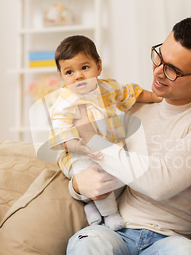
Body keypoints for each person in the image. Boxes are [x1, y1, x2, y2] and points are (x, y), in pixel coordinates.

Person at [61, 17, 191, 255]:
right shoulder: (135, 107)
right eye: (159, 56)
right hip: (117, 231)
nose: (158, 72)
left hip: (172, 239)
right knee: (85, 242)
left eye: (173, 70)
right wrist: (78, 185)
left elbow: (159, 183)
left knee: (186, 254)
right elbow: (99, 168)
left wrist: (95, 140)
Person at [49, 35, 162, 230]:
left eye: (85, 68)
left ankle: (92, 207)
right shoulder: (64, 102)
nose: (78, 76)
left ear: (98, 67)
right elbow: (61, 135)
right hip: (76, 154)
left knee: (119, 173)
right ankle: (110, 214)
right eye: (69, 72)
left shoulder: (108, 88)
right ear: (61, 76)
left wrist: (158, 97)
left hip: (106, 149)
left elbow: (132, 92)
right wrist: (81, 147)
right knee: (94, 173)